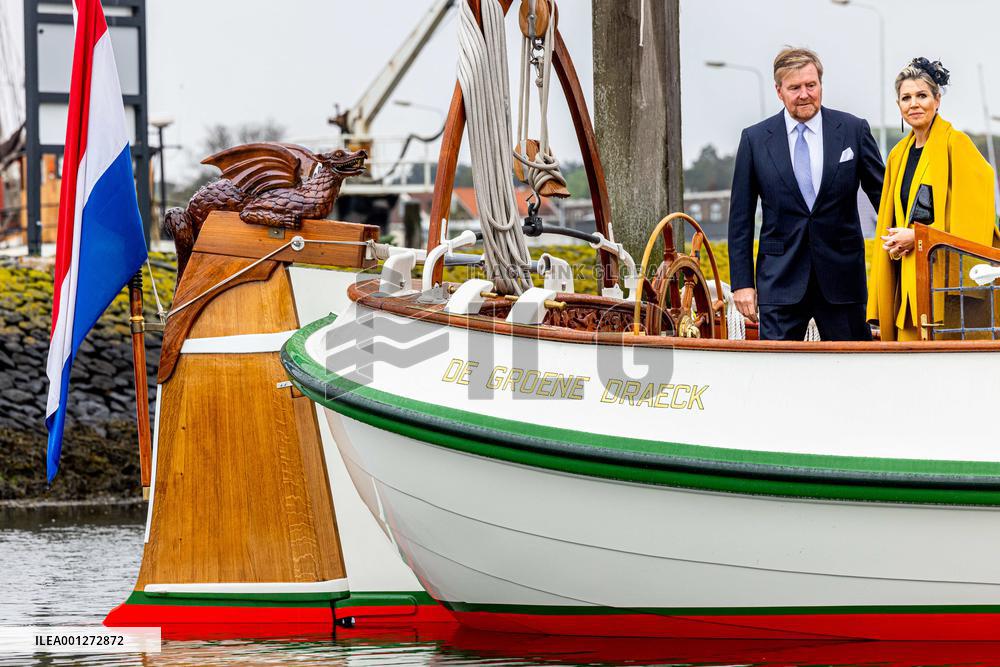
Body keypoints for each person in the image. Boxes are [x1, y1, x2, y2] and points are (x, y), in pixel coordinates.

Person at [728, 47, 884, 341]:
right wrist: (742, 283)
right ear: (779, 91)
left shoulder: (853, 130)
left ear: (820, 85)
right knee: (777, 376)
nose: (804, 94)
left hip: (843, 281)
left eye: (811, 85)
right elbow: (740, 219)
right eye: (795, 87)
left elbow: (885, 201)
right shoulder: (755, 140)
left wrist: (909, 244)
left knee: (853, 374)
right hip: (779, 281)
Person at [867, 58, 997, 341]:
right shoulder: (897, 155)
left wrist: (919, 238)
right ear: (899, 105)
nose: (914, 104)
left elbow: (977, 217)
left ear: (937, 100)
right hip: (908, 279)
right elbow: (892, 216)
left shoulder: (957, 145)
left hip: (944, 288)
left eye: (922, 95)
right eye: (906, 98)